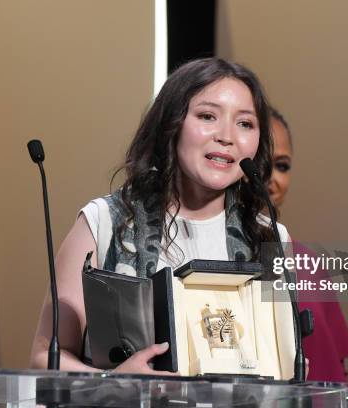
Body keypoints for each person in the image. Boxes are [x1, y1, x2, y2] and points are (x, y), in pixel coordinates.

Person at [29, 58, 292, 375]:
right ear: (171, 124)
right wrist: (114, 381)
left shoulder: (269, 237)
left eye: (245, 124)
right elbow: (45, 359)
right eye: (208, 116)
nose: (227, 136)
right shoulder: (105, 221)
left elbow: (282, 360)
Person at [267, 108, 348, 382]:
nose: (272, 178)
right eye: (259, 163)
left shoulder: (309, 262)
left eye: (282, 165)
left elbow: (336, 367)